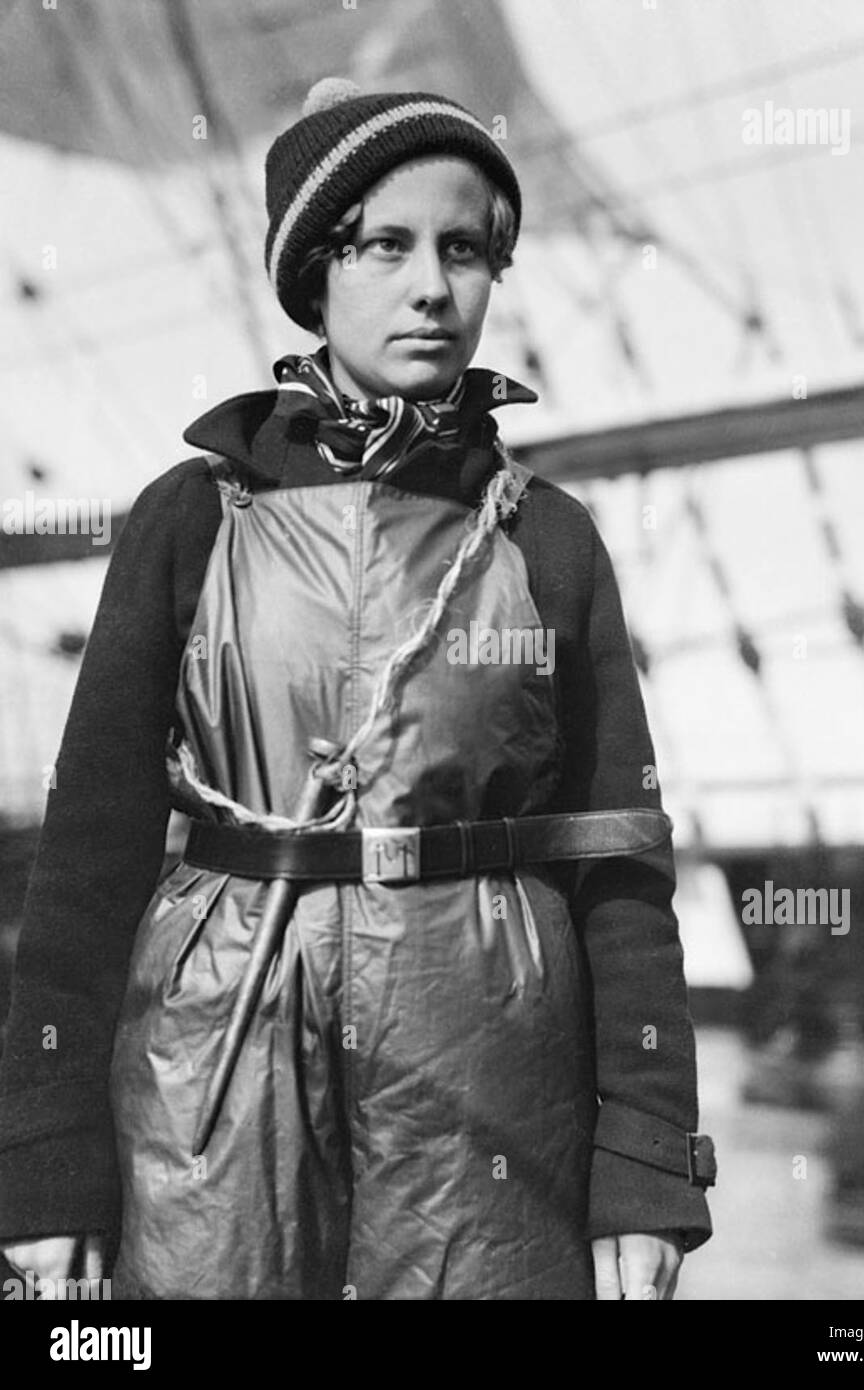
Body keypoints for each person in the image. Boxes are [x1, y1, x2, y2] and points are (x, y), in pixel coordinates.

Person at [0, 79, 714, 1301]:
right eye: (387, 244)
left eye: (468, 249)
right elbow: (89, 863)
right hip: (208, 1077)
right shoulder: (188, 520)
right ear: (315, 273)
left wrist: (645, 1165)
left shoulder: (550, 542)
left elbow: (622, 877)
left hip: (492, 1083)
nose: (433, 286)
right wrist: (46, 1165)